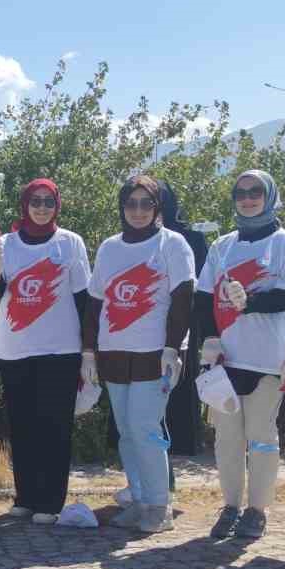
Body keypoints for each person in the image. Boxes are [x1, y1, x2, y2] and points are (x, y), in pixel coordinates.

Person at [0, 179, 93, 525]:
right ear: (24, 204)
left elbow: (85, 301)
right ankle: (26, 496)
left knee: (54, 427)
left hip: (60, 350)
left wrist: (89, 351)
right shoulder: (5, 243)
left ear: (56, 204)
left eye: (48, 201)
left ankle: (50, 502)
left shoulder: (70, 242)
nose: (41, 207)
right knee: (23, 426)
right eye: (35, 201)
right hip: (15, 349)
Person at [86, 175, 196, 533]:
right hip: (114, 351)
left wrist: (172, 347)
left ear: (157, 207)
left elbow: (183, 298)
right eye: (131, 203)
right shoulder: (109, 247)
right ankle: (138, 498)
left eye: (145, 203)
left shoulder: (173, 244)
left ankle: (159, 506)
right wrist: (89, 351)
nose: (137, 211)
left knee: (146, 428)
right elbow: (95, 301)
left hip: (154, 353)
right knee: (126, 432)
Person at [194, 171, 285, 539]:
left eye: (256, 192)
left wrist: (252, 301)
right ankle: (231, 506)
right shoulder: (222, 245)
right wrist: (210, 340)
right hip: (226, 361)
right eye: (241, 192)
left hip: (268, 359)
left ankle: (257, 510)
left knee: (261, 435)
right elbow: (204, 298)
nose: (248, 198)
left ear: (269, 196)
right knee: (226, 439)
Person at [158, 182, 210, 460]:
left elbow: (202, 291)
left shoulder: (192, 239)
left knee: (176, 404)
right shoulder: (128, 239)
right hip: (138, 334)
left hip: (181, 335)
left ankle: (165, 479)